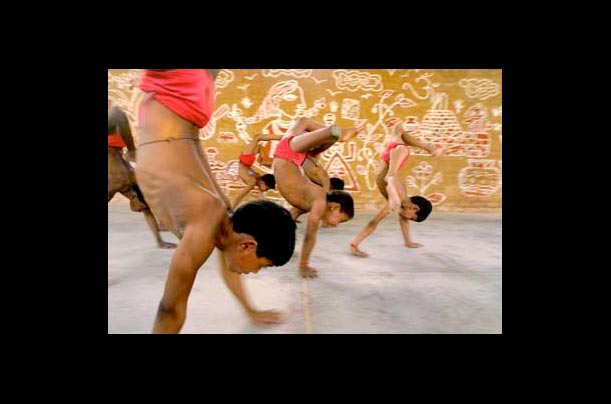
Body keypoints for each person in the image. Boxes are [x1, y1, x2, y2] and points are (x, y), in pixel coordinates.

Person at [135, 69, 297, 333]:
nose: (254, 273)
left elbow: (231, 267)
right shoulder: (205, 227)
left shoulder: (223, 221)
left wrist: (251, 311)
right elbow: (170, 309)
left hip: (190, 100)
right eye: (261, 266)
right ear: (248, 245)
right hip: (181, 94)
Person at [272, 117, 362, 278]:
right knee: (331, 132)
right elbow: (309, 237)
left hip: (291, 154)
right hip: (289, 152)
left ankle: (338, 135)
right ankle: (340, 134)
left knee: (303, 122)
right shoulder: (319, 202)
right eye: (340, 220)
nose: (337, 225)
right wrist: (303, 265)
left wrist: (282, 245)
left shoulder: (310, 200)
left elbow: (290, 217)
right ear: (334, 207)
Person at [350, 118, 443, 258]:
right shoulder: (398, 201)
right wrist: (355, 244)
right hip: (396, 156)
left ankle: (428, 147)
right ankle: (429, 147)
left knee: (399, 132)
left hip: (393, 153)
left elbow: (403, 219)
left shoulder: (404, 201)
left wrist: (409, 242)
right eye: (413, 218)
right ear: (415, 208)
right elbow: (374, 222)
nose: (408, 219)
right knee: (392, 170)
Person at [108, 101, 176, 249]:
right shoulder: (114, 118)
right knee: (118, 113)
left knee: (146, 206)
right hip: (115, 173)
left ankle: (160, 240)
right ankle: (160, 238)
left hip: (123, 172)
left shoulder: (115, 129)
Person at [232, 133, 283, 209]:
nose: (267, 189)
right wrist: (231, 209)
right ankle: (284, 137)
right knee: (258, 138)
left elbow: (261, 197)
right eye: (267, 187)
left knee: (257, 139)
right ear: (263, 182)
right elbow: (239, 196)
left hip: (245, 162)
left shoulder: (255, 179)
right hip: (245, 160)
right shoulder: (252, 181)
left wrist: (253, 173)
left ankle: (282, 137)